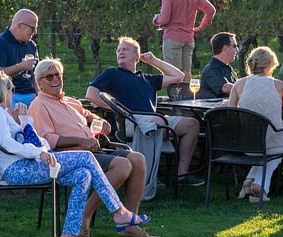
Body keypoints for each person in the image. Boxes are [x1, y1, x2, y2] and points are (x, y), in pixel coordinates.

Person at [0, 71, 153, 237]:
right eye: (12, 89)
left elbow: (31, 140)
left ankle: (68, 235)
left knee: (83, 174)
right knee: (86, 157)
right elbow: (8, 144)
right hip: (17, 170)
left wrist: (25, 121)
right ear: (1, 90)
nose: (13, 94)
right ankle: (119, 212)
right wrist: (38, 152)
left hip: (25, 165)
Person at [29, 58, 160, 237]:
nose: (55, 80)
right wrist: (81, 141)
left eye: (57, 75)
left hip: (93, 150)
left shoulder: (69, 101)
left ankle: (129, 224)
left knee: (138, 159)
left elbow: (87, 115)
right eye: (49, 77)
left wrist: (99, 121)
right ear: (39, 82)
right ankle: (84, 219)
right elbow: (48, 139)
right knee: (122, 165)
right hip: (70, 156)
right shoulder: (39, 104)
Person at [85, 36, 205, 186]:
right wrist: (118, 109)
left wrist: (154, 61)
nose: (120, 52)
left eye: (125, 49)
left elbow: (178, 76)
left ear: (136, 56)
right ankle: (147, 176)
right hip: (128, 120)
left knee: (192, 124)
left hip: (153, 119)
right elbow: (91, 94)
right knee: (158, 122)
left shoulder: (147, 78)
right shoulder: (112, 73)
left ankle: (181, 175)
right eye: (118, 50)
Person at [228, 46, 283, 202]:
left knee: (264, 153)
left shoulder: (239, 84)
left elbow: (230, 113)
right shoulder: (279, 85)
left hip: (246, 143)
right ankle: (261, 186)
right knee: (275, 152)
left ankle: (249, 181)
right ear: (270, 66)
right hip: (272, 139)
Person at [152, 0, 216, 81]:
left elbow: (165, 20)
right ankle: (187, 97)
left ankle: (176, 97)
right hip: (189, 38)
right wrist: (200, 27)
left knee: (173, 75)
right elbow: (211, 10)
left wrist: (156, 20)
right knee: (186, 75)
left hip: (172, 38)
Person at [0, 9, 39, 107]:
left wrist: (39, 94)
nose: (35, 32)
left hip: (30, 94)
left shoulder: (31, 45)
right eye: (32, 28)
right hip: (6, 93)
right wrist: (21, 66)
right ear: (20, 26)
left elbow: (35, 75)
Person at [198, 32, 238, 99]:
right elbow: (225, 88)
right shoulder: (211, 69)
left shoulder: (227, 67)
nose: (237, 49)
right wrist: (247, 90)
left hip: (225, 107)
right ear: (225, 48)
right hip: (212, 108)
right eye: (234, 46)